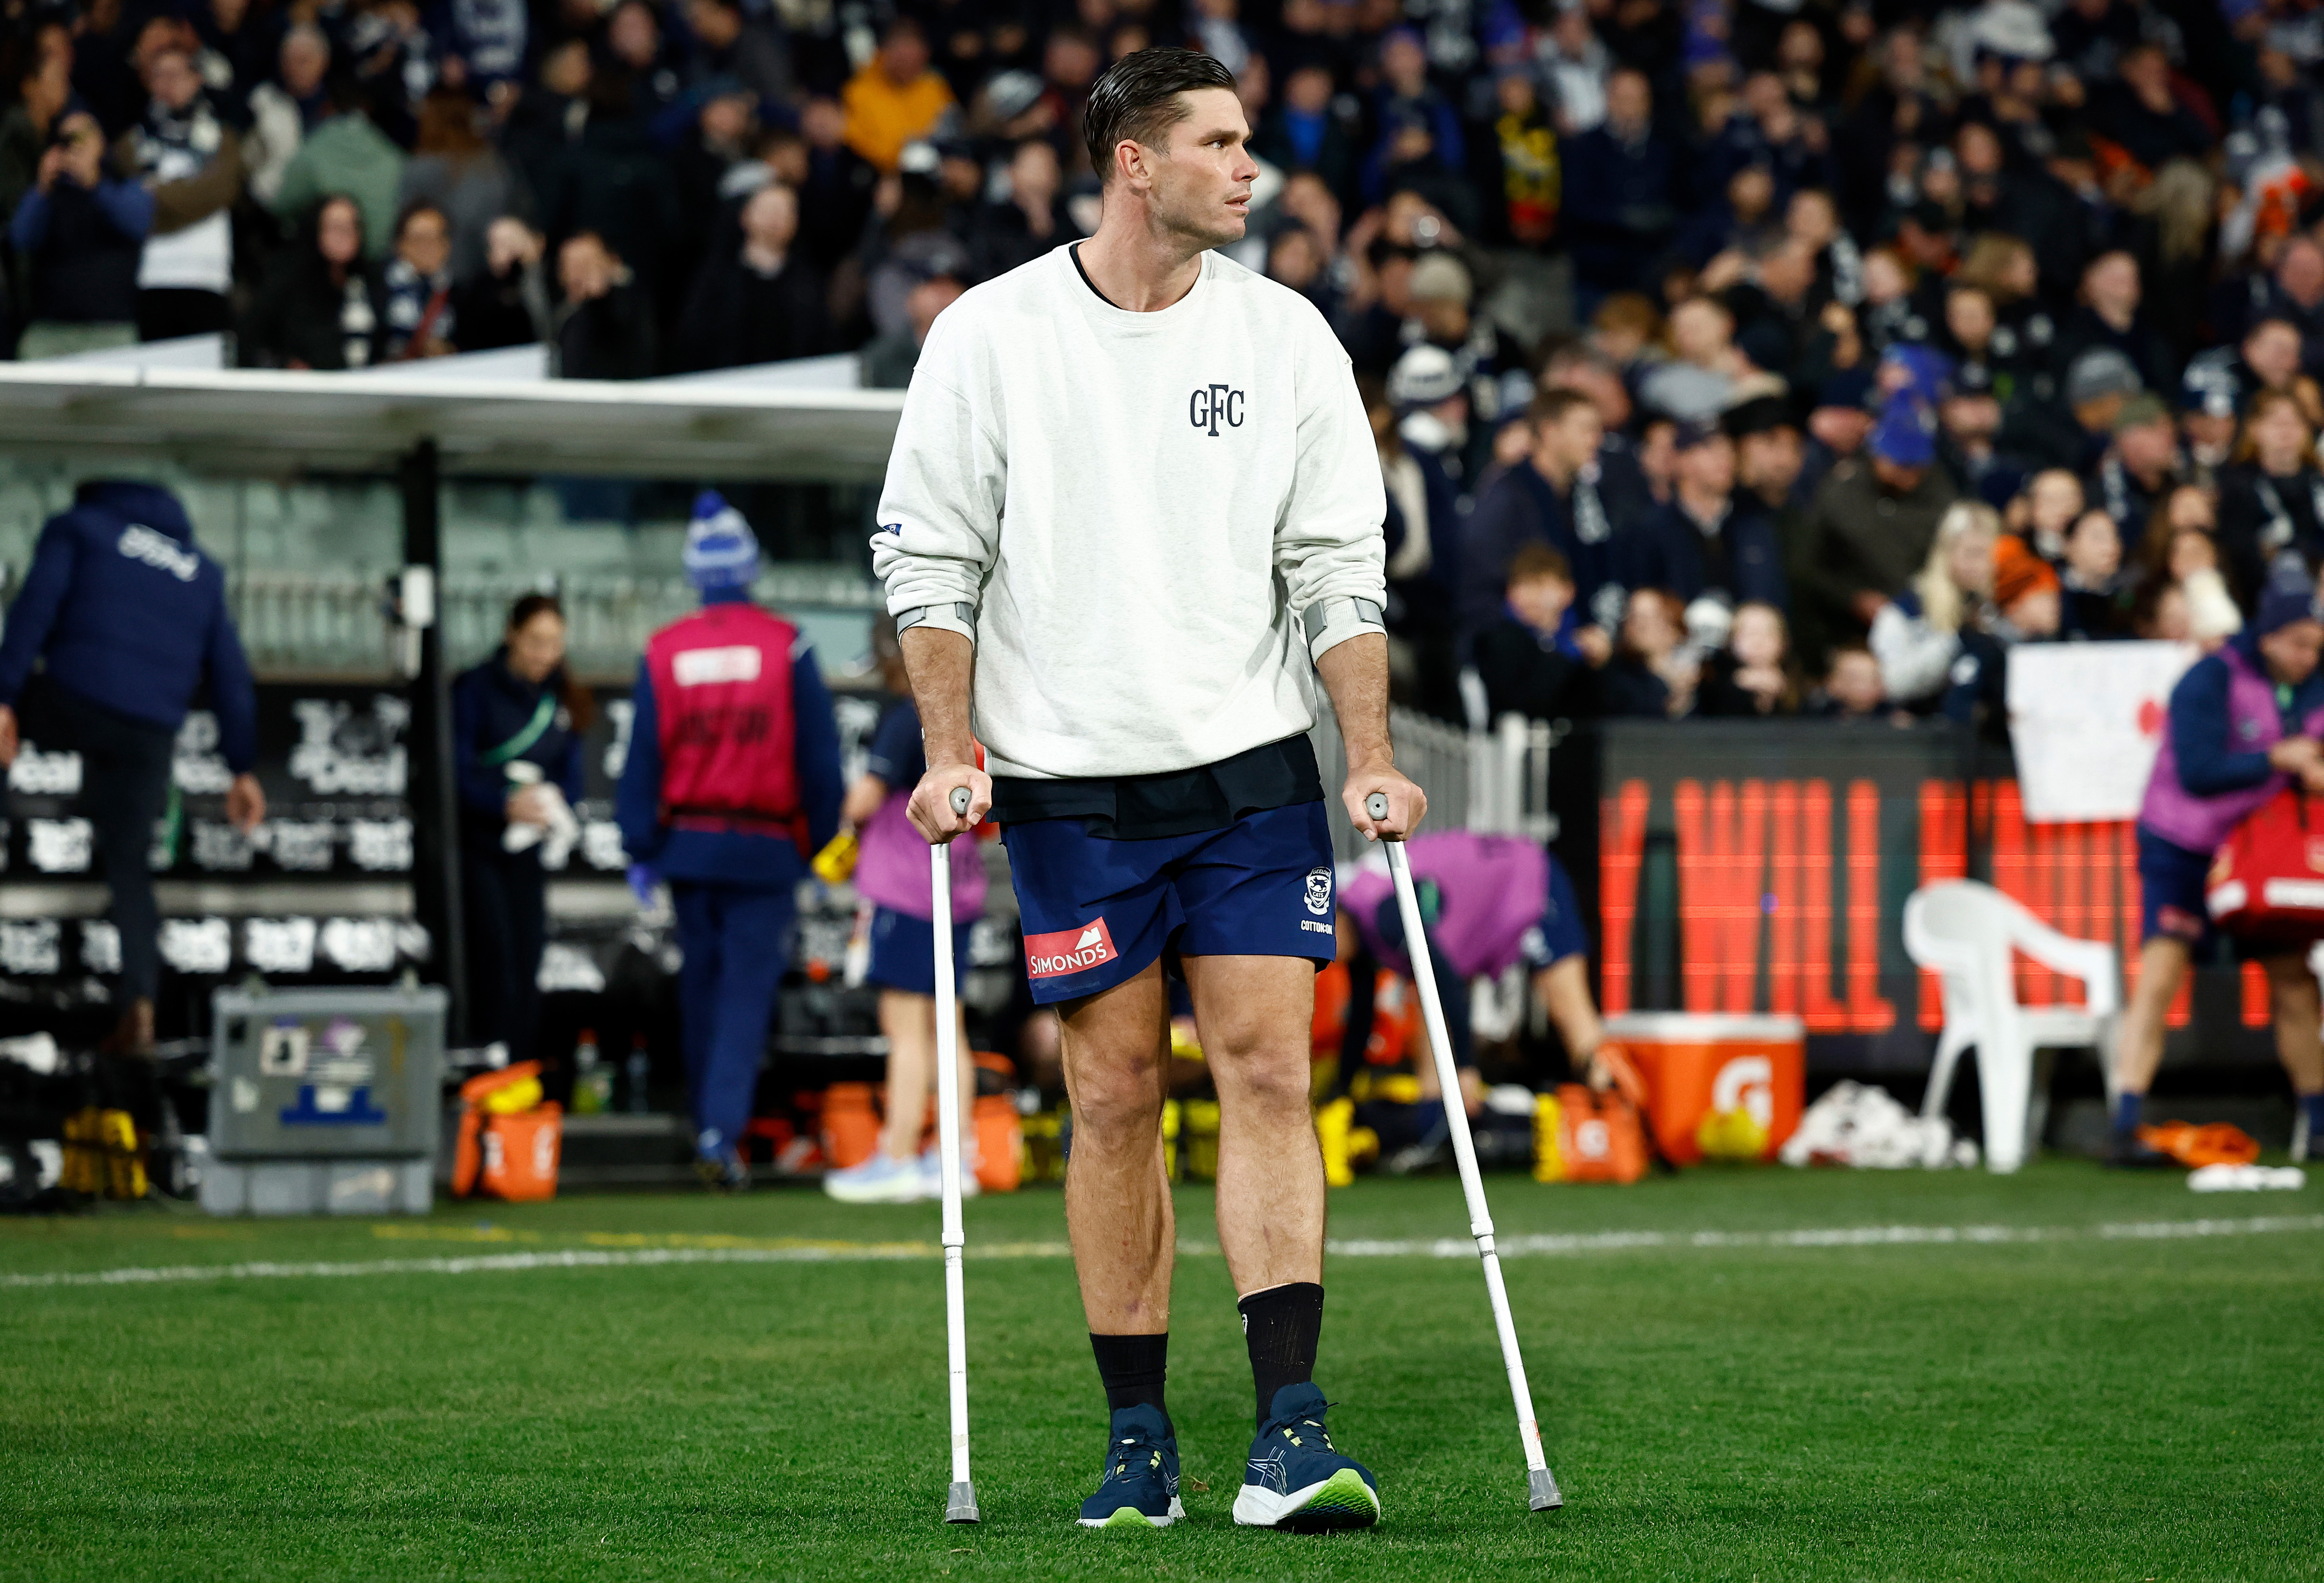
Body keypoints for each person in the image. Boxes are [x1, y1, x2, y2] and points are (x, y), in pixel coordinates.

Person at [871, 48, 1410, 1533]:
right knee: (1110, 1095)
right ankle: (1138, 1439)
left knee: (1265, 1071)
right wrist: (947, 743)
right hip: (1065, 784)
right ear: (1132, 161)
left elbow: (1335, 568)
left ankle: (1290, 1430)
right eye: (1221, 144)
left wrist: (1364, 750)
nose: (1251, 171)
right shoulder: (990, 335)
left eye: (1250, 144)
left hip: (1248, 770)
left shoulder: (1290, 336)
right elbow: (929, 556)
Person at [615, 495, 843, 1189]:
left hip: (688, 846)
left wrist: (641, 847)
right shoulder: (787, 644)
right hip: (765, 850)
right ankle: (721, 1133)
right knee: (745, 995)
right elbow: (819, 761)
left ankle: (705, 1125)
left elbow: (643, 759)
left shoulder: (665, 650)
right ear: (751, 568)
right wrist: (818, 842)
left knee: (703, 993)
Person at [0, 482, 264, 1056]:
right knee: (130, 867)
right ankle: (140, 1005)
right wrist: (241, 766)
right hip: (149, 728)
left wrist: (4, 698)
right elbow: (230, 674)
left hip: (73, 698)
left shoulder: (80, 529)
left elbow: (34, 608)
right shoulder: (201, 570)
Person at [2111, 578, 2324, 1168]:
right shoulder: (2210, 677)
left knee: (2293, 981)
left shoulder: (2314, 686)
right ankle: (2123, 1121)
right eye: (2298, 645)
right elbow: (2199, 771)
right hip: (2181, 842)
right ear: (2269, 636)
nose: (2307, 657)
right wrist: (2275, 759)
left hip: (2257, 851)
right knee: (2158, 974)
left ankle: (2319, 1119)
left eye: (2316, 646)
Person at [822, 614, 982, 1203]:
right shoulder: (964, 716)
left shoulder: (901, 719)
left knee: (908, 1029)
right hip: (956, 890)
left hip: (908, 891)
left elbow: (862, 801)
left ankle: (897, 1156)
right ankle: (958, 1155)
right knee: (951, 1027)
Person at [1332, 830, 1606, 1160]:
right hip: (1479, 899)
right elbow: (1362, 1018)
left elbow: (1446, 984)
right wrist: (1339, 1095)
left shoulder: (1383, 914)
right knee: (1427, 1002)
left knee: (1569, 1010)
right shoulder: (1356, 921)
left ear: (1336, 915)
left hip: (1528, 879)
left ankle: (1613, 1122)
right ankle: (1436, 1129)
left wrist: (1466, 1069)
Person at [451, 594, 588, 1076]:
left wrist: (550, 803)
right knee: (495, 965)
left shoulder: (561, 698)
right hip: (481, 848)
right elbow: (455, 773)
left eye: (553, 643)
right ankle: (488, 1074)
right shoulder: (473, 691)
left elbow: (573, 777)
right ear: (511, 634)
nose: (544, 654)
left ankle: (519, 1073)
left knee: (529, 964)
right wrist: (504, 802)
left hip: (528, 852)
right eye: (535, 641)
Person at [9, 109, 152, 359]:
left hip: (111, 330)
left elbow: (138, 223)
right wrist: (42, 188)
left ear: (101, 142)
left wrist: (93, 183)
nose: (75, 146)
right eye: (66, 140)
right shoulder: (50, 195)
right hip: (51, 330)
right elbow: (21, 238)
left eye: (82, 137)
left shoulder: (124, 183)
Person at [1870, 500, 1997, 707]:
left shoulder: (2005, 604)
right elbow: (1892, 683)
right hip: (1927, 725)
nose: (1983, 565)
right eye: (1973, 553)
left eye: (1991, 554)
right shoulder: (1907, 610)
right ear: (1946, 552)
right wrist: (1955, 638)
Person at [240, 193, 376, 369]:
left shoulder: (370, 280)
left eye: (352, 227)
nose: (346, 235)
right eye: (336, 227)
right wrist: (286, 366)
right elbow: (250, 341)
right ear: (316, 230)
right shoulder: (287, 278)